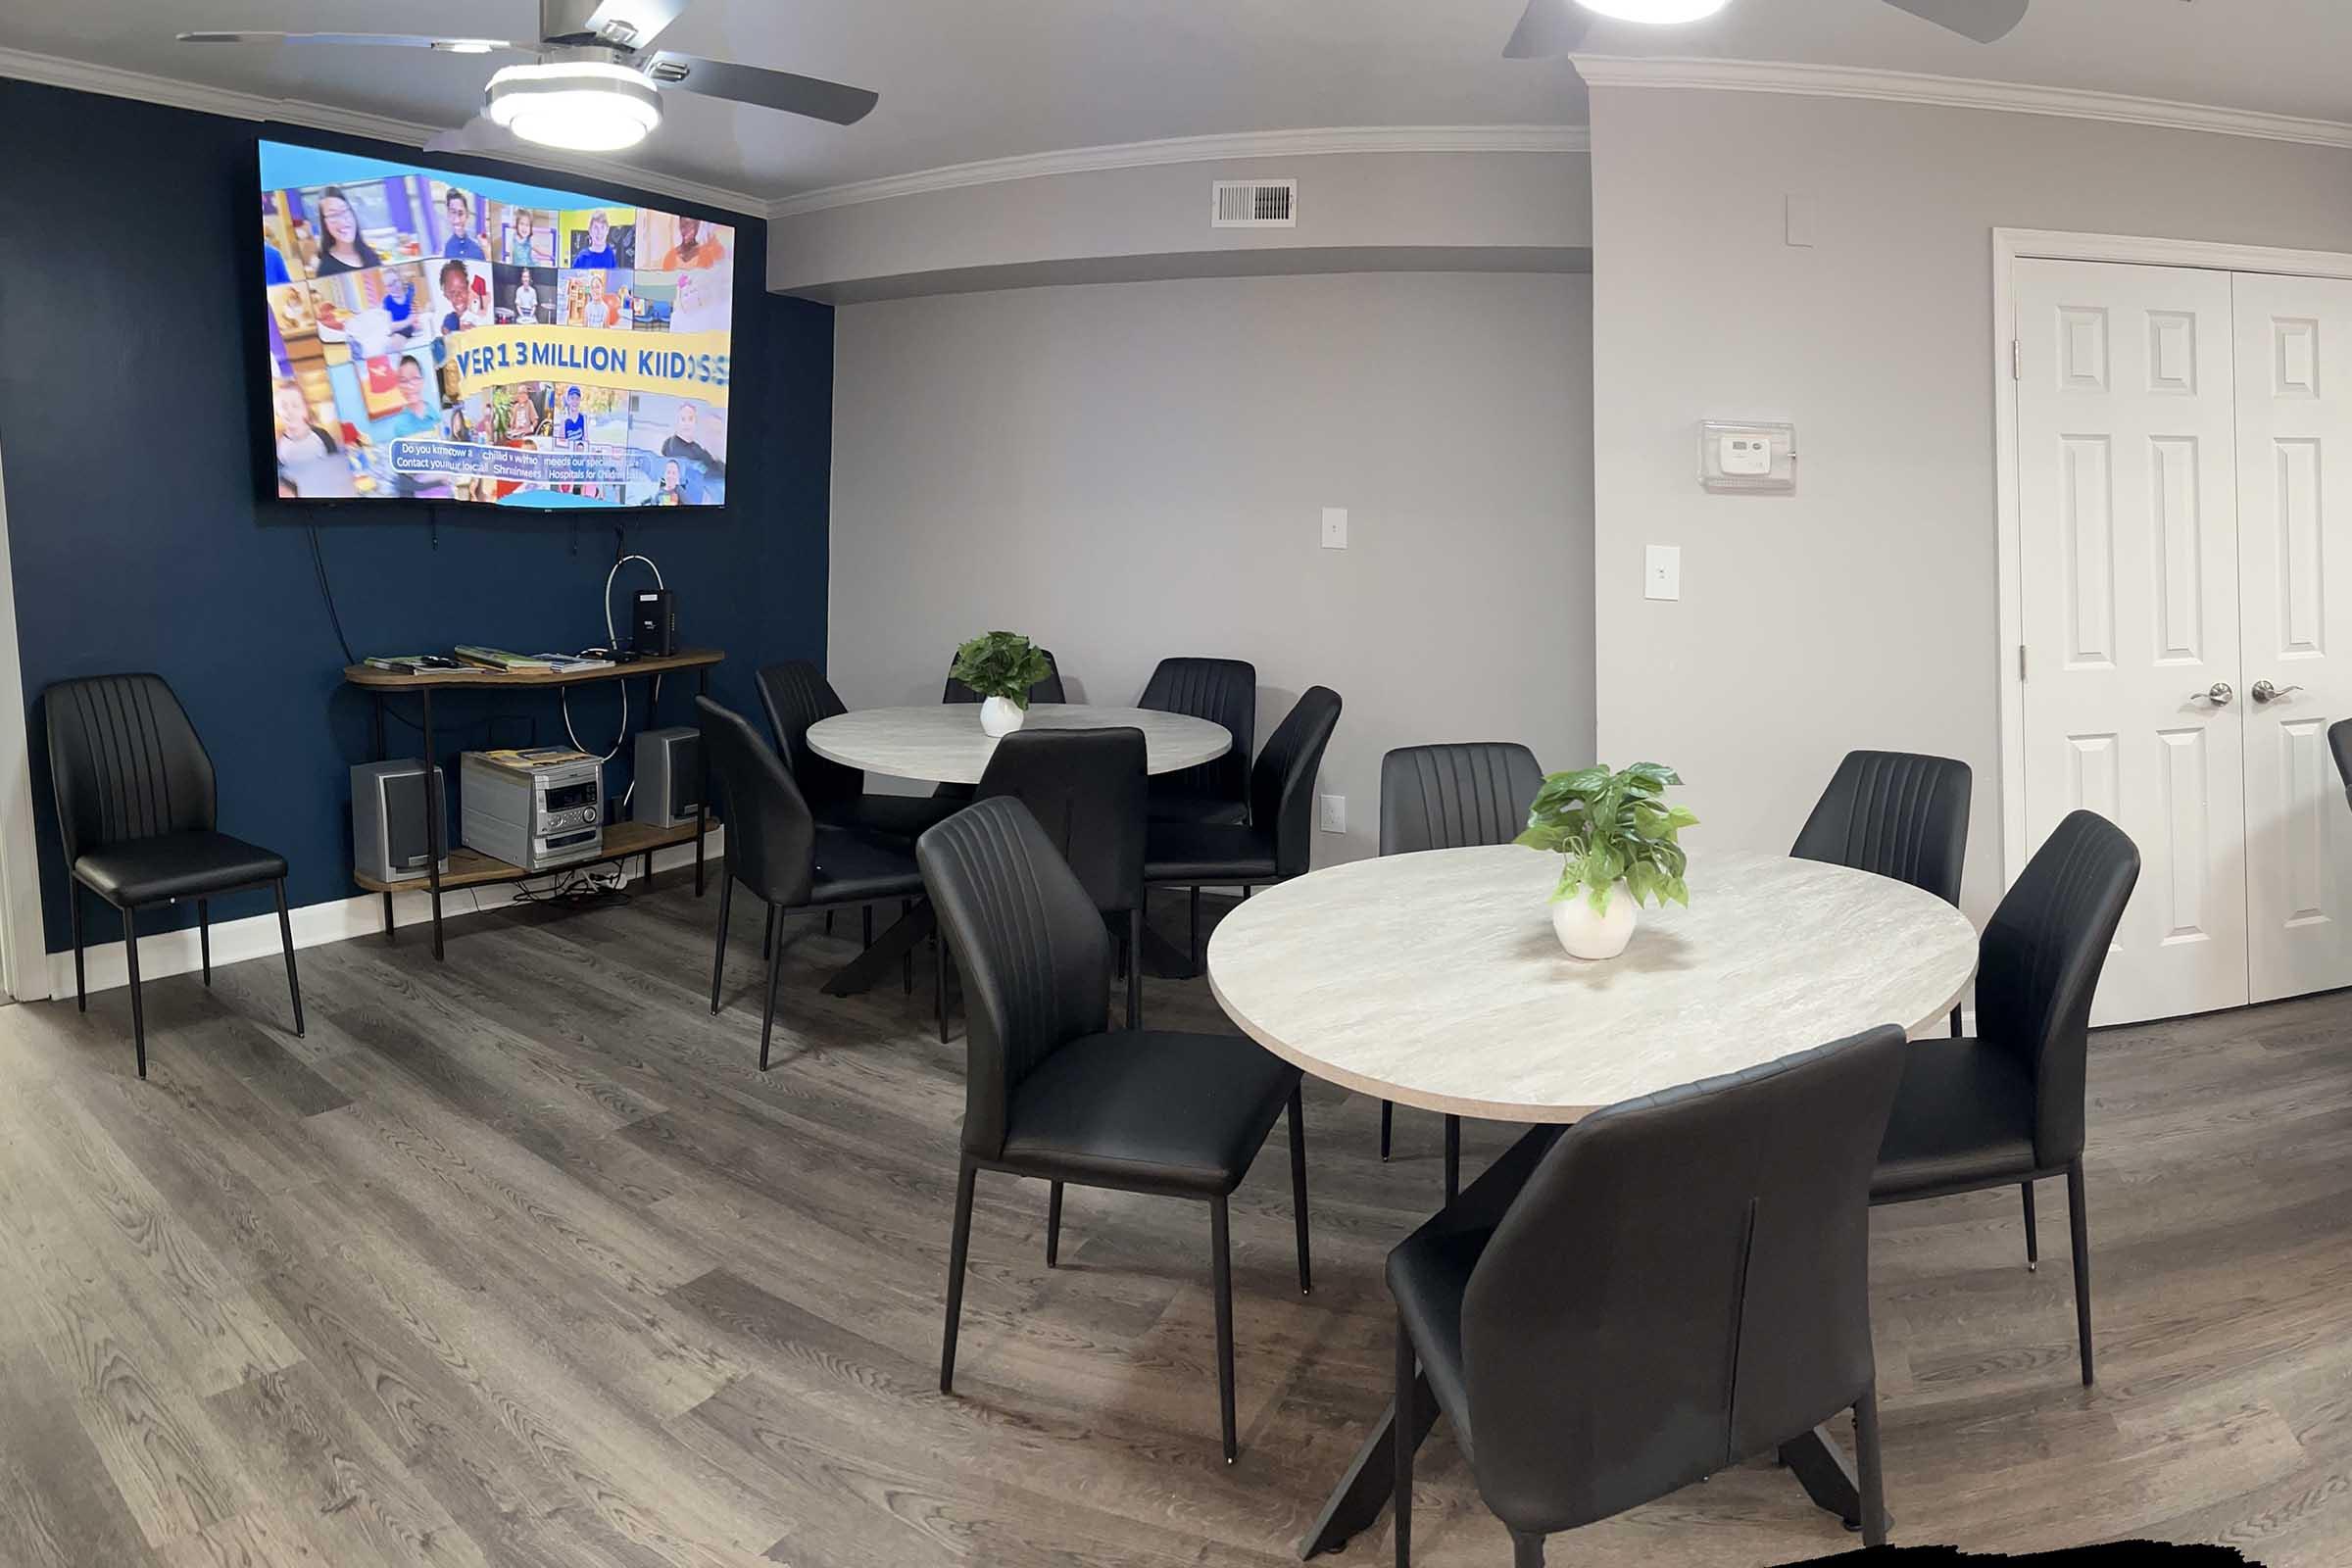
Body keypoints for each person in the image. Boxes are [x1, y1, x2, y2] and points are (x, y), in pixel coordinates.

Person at [272, 381, 354, 497]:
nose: (289, 411)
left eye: (295, 405)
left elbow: (337, 467)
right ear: (277, 412)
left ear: (305, 410)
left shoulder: (321, 436)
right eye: (283, 406)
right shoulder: (279, 447)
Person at [311, 185, 379, 276]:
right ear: (325, 224)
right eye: (333, 215)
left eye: (344, 211)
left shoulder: (369, 254)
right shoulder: (326, 269)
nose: (342, 220)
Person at [660, 400, 724, 477]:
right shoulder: (672, 446)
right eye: (683, 419)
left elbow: (712, 465)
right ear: (677, 422)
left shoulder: (697, 448)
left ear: (695, 422)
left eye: (690, 419)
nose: (687, 423)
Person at [658, 216, 725, 270]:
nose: (688, 231)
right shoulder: (671, 255)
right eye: (684, 226)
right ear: (680, 226)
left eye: (693, 227)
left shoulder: (705, 254)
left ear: (697, 228)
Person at [438, 261, 484, 334]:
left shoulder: (478, 315)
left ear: (468, 288)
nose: (458, 296)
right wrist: (456, 331)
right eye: (452, 292)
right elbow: (445, 332)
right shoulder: (450, 319)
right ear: (446, 295)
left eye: (462, 289)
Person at [380, 268, 422, 344]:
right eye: (390, 285)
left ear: (400, 279)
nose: (394, 286)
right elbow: (390, 327)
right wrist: (409, 321)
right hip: (398, 335)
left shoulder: (408, 294)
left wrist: (417, 316)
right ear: (386, 288)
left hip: (414, 331)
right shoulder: (387, 301)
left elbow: (415, 312)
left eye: (395, 281)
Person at [441, 189, 485, 261]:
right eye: (453, 212)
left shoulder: (477, 248)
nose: (457, 219)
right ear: (448, 214)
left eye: (460, 213)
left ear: (467, 214)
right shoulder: (448, 248)